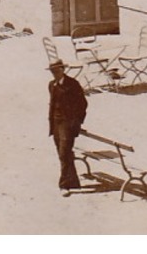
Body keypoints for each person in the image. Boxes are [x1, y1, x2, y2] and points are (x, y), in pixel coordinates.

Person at [47, 59, 88, 194]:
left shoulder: (73, 84)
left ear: (63, 70)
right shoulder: (52, 85)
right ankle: (74, 181)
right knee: (62, 153)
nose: (55, 73)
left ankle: (64, 184)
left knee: (64, 153)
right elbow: (52, 105)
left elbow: (83, 104)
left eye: (57, 70)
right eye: (53, 71)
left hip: (67, 124)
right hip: (56, 123)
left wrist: (76, 122)